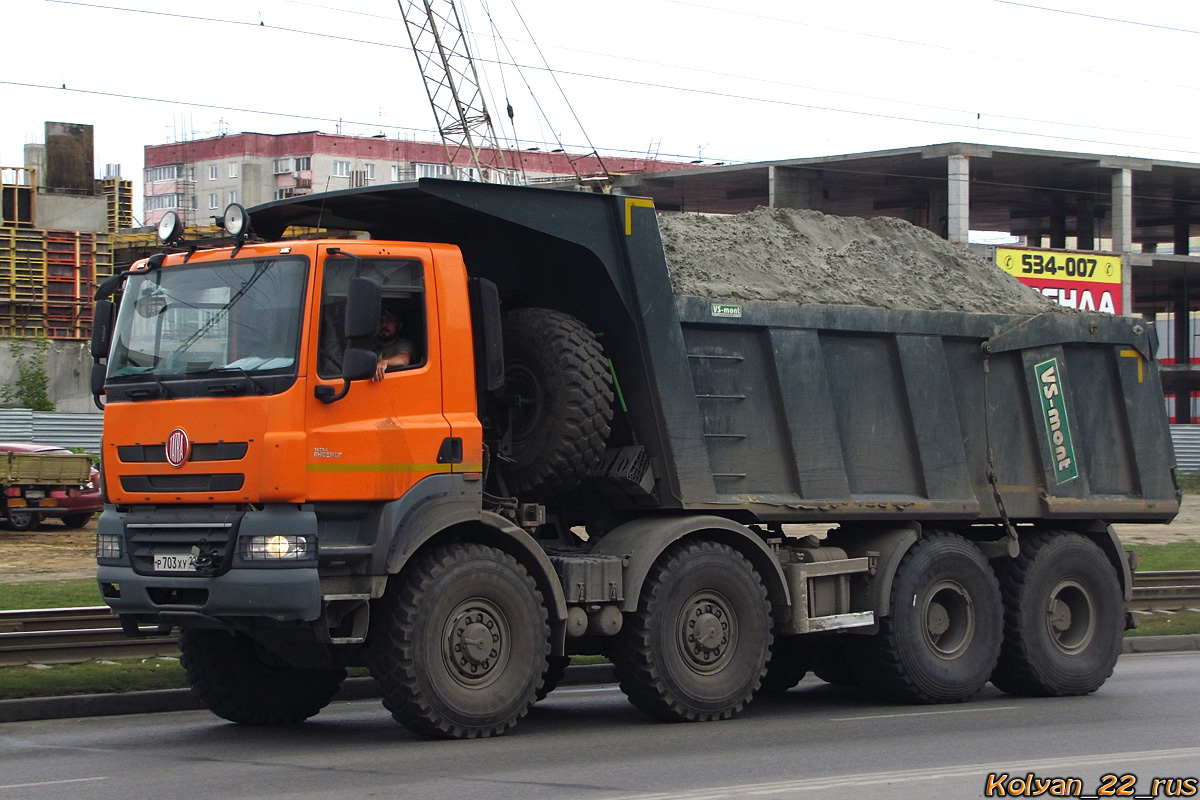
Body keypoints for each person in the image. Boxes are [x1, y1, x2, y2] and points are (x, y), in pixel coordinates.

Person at [374, 307, 415, 381]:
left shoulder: (403, 344)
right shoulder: (376, 349)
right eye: (380, 321)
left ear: (399, 325)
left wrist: (385, 362)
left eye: (389, 321)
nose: (384, 325)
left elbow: (404, 359)